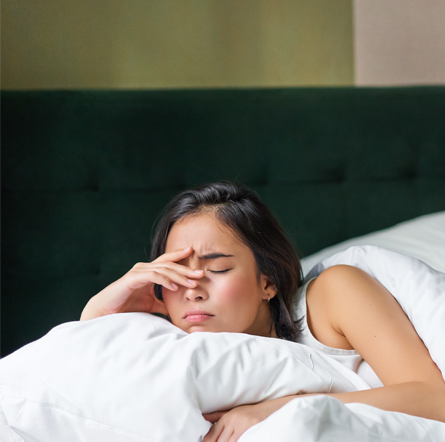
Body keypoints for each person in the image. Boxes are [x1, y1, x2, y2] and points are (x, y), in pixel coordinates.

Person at [81, 181, 445, 442]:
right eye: (176, 274)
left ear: (268, 281)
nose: (192, 289)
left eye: (218, 269)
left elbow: (435, 399)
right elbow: (88, 391)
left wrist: (278, 409)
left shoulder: (333, 293)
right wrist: (101, 307)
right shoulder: (177, 344)